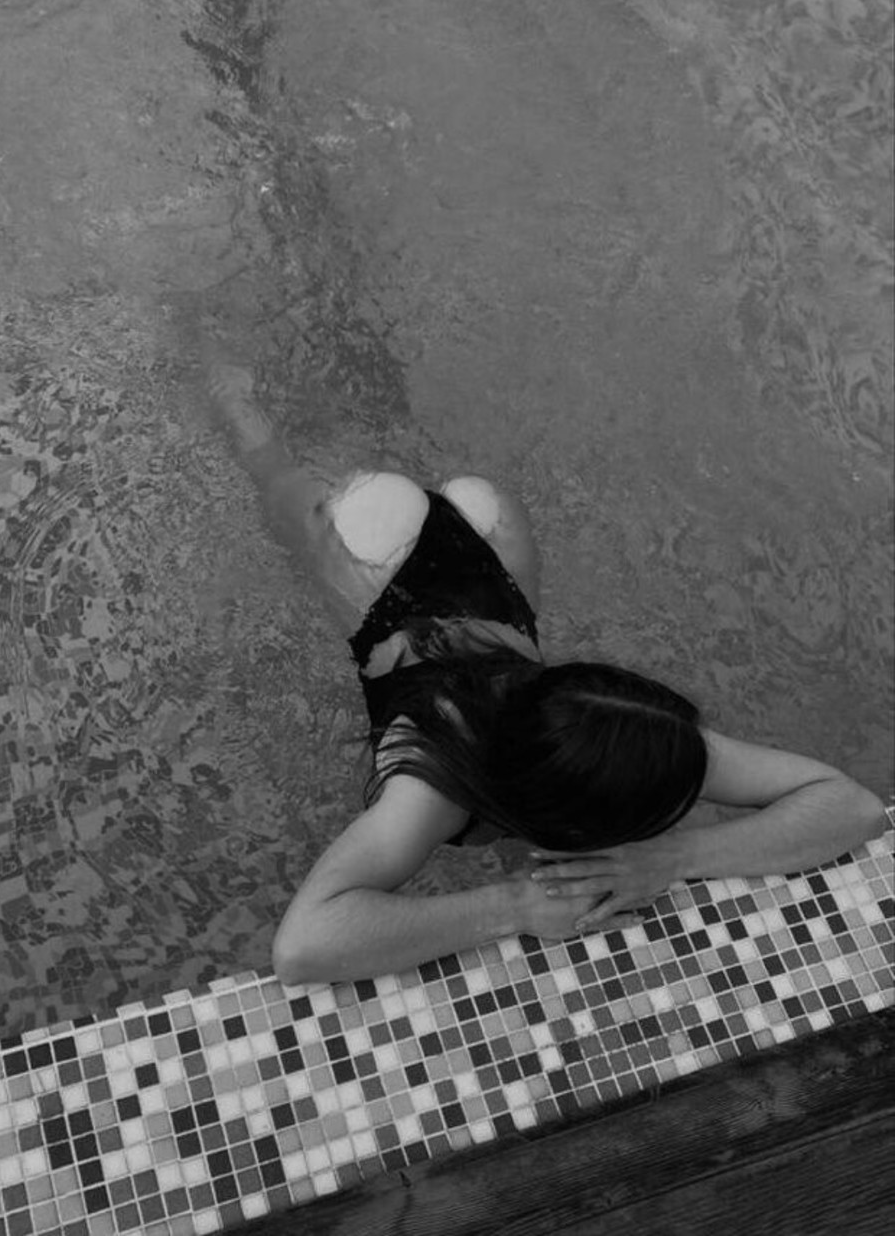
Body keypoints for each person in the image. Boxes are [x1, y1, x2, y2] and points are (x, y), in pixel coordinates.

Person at [207, 359, 887, 987]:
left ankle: (257, 396)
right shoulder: (435, 787)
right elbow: (304, 946)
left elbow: (849, 807)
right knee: (269, 472)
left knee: (327, 466)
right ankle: (226, 390)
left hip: (493, 547)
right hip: (376, 571)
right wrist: (514, 907)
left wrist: (677, 857)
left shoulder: (621, 733)